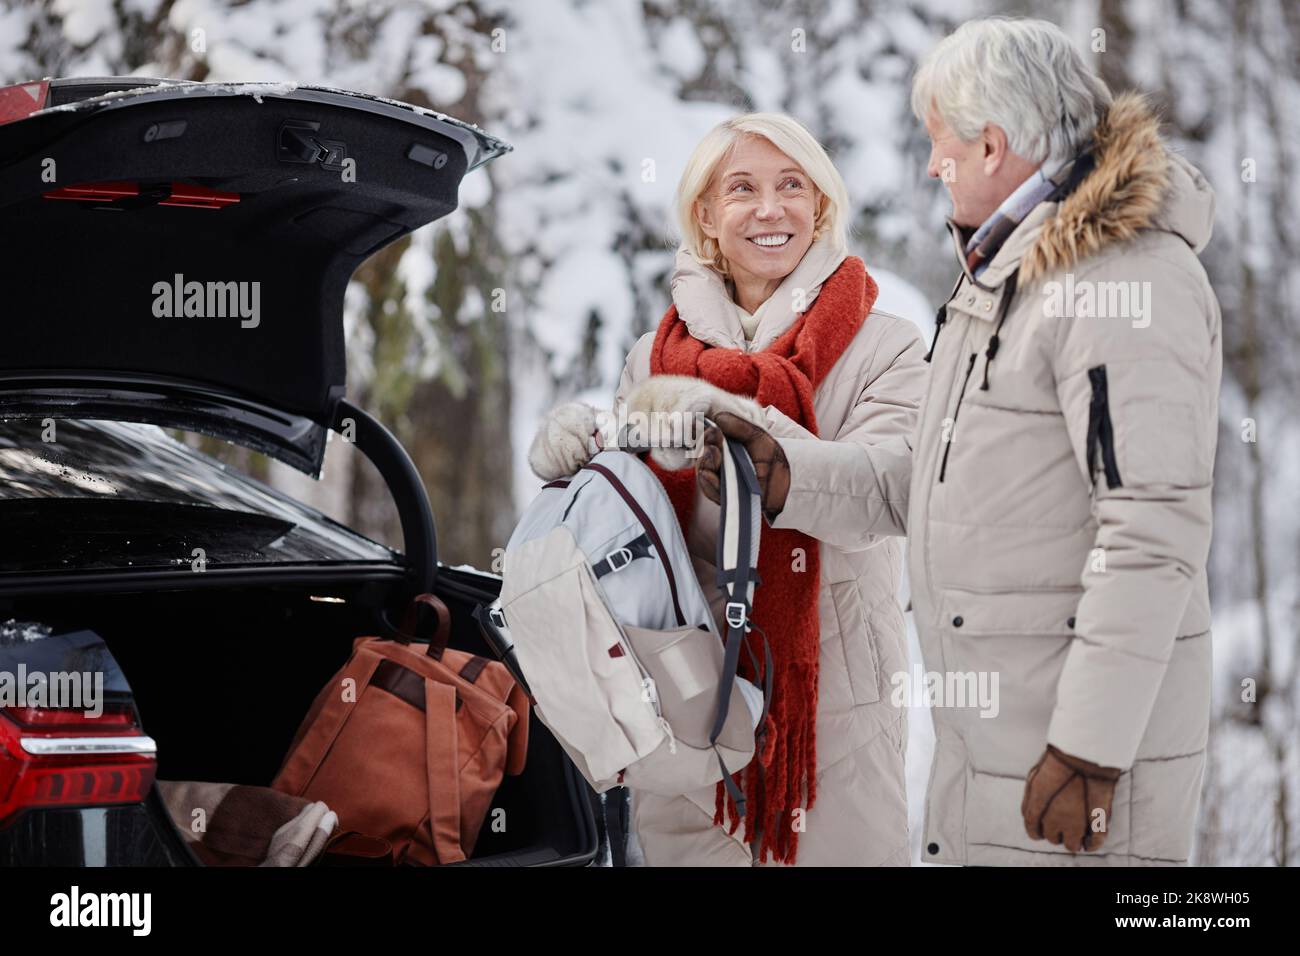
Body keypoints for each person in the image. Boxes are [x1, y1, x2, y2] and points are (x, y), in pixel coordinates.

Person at [695, 17, 1221, 866]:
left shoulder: (1128, 281)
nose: (932, 164)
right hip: (996, 745)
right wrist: (788, 472)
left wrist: (1089, 749)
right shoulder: (1002, 280)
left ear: (993, 145)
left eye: (941, 141)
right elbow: (936, 482)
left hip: (1076, 760)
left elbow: (1151, 536)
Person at [528, 111, 927, 865]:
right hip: (684, 702)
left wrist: (755, 442)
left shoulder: (886, 344)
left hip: (831, 720)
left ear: (821, 205)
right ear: (706, 216)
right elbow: (632, 514)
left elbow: (895, 489)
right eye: (741, 188)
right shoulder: (657, 352)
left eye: (792, 186)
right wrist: (582, 459)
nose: (770, 209)